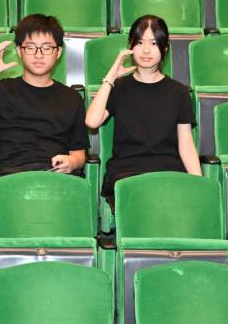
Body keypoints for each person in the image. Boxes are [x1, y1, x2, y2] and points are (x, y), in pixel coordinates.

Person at [0, 14, 88, 178]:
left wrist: (71, 162)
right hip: (12, 178)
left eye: (47, 48)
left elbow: (79, 154)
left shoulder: (72, 98)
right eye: (31, 47)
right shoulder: (0, 89)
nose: (38, 55)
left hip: (56, 177)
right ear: (19, 51)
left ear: (58, 52)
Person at [85, 15, 200, 200]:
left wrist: (199, 186)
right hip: (126, 175)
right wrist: (110, 78)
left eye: (153, 43)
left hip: (167, 174)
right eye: (139, 42)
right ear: (130, 46)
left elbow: (186, 145)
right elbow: (92, 122)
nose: (146, 50)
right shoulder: (119, 87)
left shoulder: (179, 92)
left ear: (165, 48)